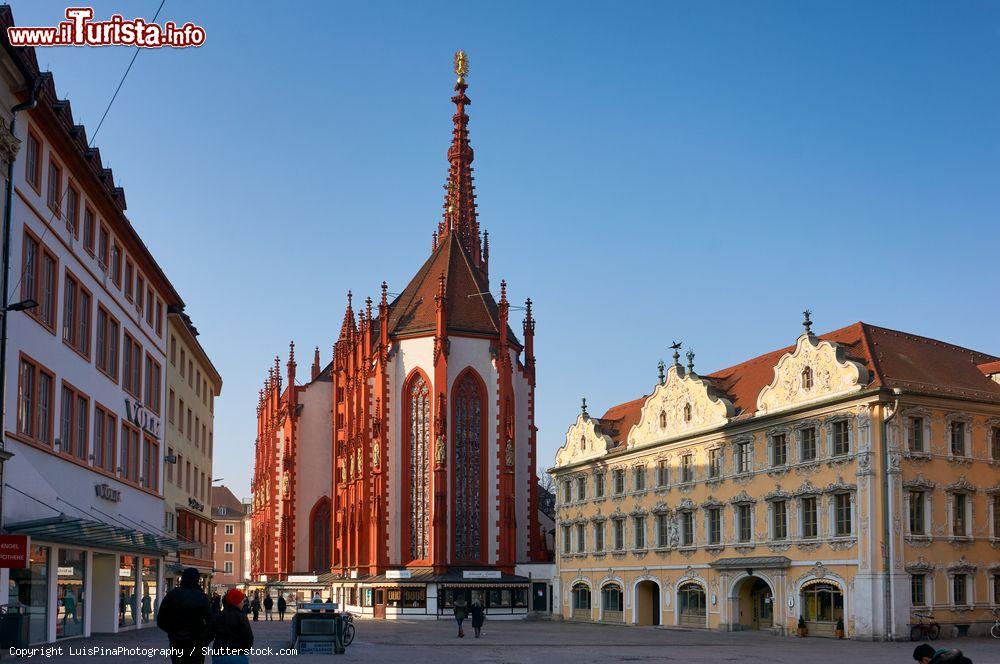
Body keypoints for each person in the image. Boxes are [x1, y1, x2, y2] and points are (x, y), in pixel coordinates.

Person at [156, 567, 213, 664]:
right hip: (196, 642)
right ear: (197, 579)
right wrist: (204, 640)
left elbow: (161, 621)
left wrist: (173, 632)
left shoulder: (172, 595)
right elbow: (211, 623)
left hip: (177, 642)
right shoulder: (201, 597)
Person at [212, 588, 254, 664]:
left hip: (219, 654)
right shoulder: (241, 616)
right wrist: (244, 651)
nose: (243, 603)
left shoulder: (219, 615)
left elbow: (210, 634)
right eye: (242, 601)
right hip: (238, 655)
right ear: (236, 603)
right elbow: (248, 638)